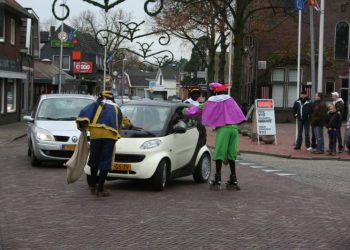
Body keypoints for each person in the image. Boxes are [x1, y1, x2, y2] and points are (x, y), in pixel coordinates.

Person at [184, 82, 246, 190]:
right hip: (234, 129)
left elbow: (198, 109)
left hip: (224, 129)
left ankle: (217, 179)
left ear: (213, 91)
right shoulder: (230, 99)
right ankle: (233, 178)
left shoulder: (212, 101)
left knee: (219, 153)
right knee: (231, 153)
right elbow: (238, 111)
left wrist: (185, 111)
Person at [76, 91, 131, 197]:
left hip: (95, 134)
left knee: (94, 158)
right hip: (109, 135)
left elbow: (84, 112)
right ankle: (100, 189)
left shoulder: (97, 104)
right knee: (105, 160)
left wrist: (82, 125)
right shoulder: (116, 107)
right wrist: (130, 125)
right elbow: (125, 121)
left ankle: (92, 185)